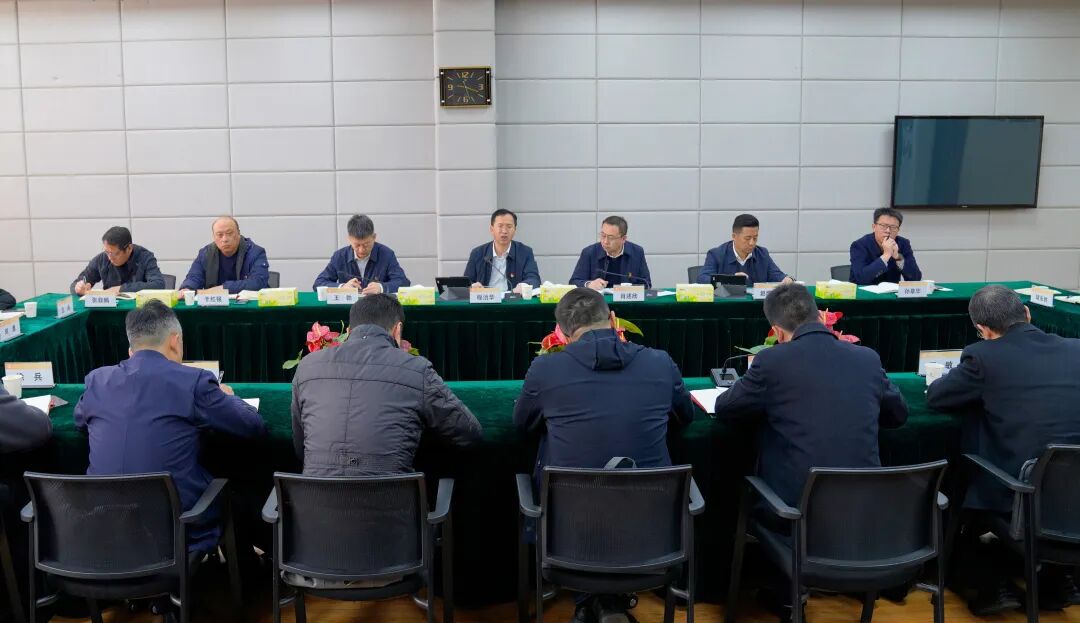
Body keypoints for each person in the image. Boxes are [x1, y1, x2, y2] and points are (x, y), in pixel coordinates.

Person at [513, 287, 693, 623]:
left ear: (562, 334)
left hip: (567, 539)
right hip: (654, 536)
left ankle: (593, 601)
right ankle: (604, 603)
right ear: (613, 320)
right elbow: (685, 416)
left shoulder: (546, 369)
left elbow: (522, 424)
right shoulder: (659, 362)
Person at [927, 285, 1080, 615]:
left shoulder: (984, 357)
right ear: (1027, 313)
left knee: (962, 484)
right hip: (1074, 501)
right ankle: (1057, 578)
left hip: (1023, 499)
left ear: (982, 330)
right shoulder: (1076, 350)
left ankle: (989, 583)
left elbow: (938, 397)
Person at [73, 300, 266, 553]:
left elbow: (80, 423)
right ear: (175, 341)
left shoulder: (97, 380)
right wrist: (228, 397)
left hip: (104, 533)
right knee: (237, 494)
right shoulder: (193, 381)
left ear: (131, 349)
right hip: (173, 535)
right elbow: (253, 426)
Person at [291, 293, 482, 477]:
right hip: (393, 498)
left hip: (314, 497)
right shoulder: (416, 369)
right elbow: (469, 434)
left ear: (348, 332)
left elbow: (301, 448)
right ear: (398, 330)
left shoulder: (307, 367)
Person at [312, 214, 410, 293]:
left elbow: (403, 282)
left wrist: (381, 287)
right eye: (357, 245)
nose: (361, 250)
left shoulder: (387, 254)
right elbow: (318, 284)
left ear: (374, 237)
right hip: (348, 307)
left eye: (366, 244)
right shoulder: (339, 256)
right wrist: (342, 287)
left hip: (378, 307)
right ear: (349, 239)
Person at [696, 214, 793, 286]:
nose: (752, 243)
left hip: (756, 306)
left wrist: (787, 279)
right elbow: (702, 279)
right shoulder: (716, 254)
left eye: (755, 238)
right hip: (726, 306)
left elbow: (777, 276)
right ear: (734, 236)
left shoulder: (762, 254)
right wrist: (730, 279)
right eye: (747, 238)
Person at [179, 216, 270, 293]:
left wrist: (223, 289)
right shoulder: (206, 254)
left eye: (229, 233)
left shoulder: (255, 252)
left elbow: (258, 282)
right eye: (219, 235)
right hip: (214, 306)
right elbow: (194, 277)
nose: (225, 239)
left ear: (238, 233)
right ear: (213, 237)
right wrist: (187, 289)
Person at [70, 226, 166, 295]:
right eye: (107, 252)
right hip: (110, 309)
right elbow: (76, 283)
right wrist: (79, 288)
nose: (109, 257)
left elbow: (158, 284)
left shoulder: (144, 257)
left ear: (129, 248)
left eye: (114, 253)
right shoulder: (102, 258)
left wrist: (121, 289)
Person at [464, 209, 542, 293]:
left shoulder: (525, 252)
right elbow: (465, 283)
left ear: (515, 230)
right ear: (492, 229)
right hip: (486, 299)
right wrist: (472, 287)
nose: (504, 231)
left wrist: (524, 286)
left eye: (509, 226)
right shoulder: (477, 253)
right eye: (500, 226)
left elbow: (534, 279)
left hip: (513, 299)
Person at [570, 216, 652, 290]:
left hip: (626, 300)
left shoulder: (637, 252)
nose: (605, 241)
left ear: (623, 239)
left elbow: (647, 283)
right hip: (597, 301)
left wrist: (628, 289)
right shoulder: (589, 253)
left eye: (610, 238)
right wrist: (589, 284)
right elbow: (574, 282)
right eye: (603, 236)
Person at [849, 208, 921, 285]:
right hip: (864, 292)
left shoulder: (903, 244)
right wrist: (886, 256)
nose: (888, 231)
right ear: (874, 227)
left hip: (892, 292)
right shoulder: (860, 245)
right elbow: (861, 279)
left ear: (898, 230)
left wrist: (898, 257)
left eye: (893, 227)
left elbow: (915, 278)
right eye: (883, 226)